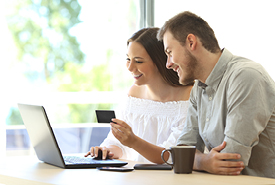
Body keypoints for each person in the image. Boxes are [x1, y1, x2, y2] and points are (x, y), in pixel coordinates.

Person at [157, 11, 275, 178]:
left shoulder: (246, 76)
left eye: (169, 52)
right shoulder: (198, 88)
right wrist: (204, 162)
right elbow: (181, 153)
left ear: (191, 42)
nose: (168, 64)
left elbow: (231, 161)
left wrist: (197, 160)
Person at [85, 27, 193, 163]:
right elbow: (119, 144)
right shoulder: (133, 94)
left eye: (138, 61)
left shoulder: (190, 98)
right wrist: (107, 151)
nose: (130, 67)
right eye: (128, 59)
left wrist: (134, 142)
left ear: (160, 61)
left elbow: (171, 156)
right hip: (138, 177)